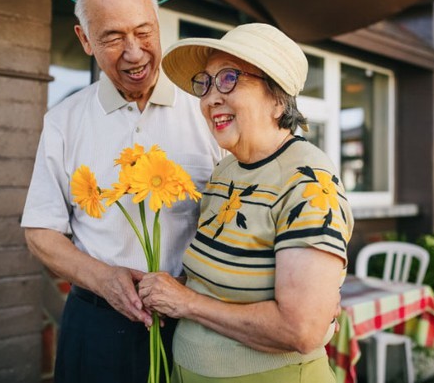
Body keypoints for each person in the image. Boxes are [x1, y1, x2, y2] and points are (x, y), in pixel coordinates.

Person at [21, 0, 222, 383]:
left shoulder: (209, 110)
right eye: (113, 37)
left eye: (144, 31)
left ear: (159, 23)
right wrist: (104, 279)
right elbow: (40, 232)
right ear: (85, 40)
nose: (134, 53)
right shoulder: (64, 121)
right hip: (96, 327)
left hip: (196, 326)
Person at [138, 23, 354, 382]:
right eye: (205, 84)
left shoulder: (308, 180)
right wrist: (167, 288)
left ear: (276, 97)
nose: (209, 99)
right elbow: (219, 281)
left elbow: (301, 330)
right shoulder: (226, 170)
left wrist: (186, 302)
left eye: (228, 79)